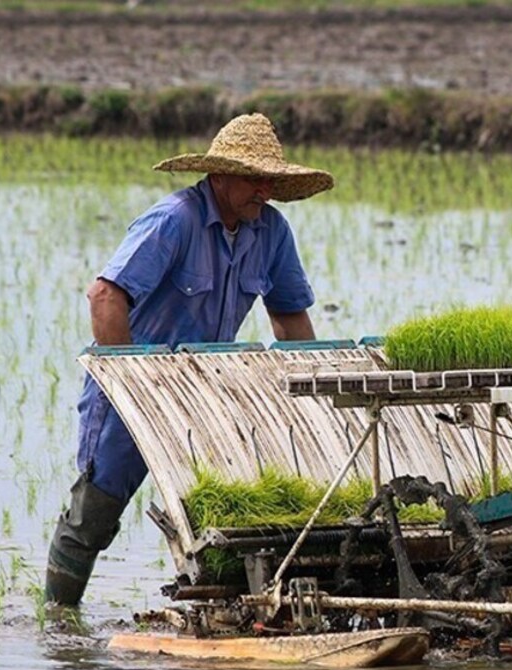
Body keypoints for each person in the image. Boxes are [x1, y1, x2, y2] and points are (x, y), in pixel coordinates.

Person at [45, 112, 334, 606]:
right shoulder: (175, 220)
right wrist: (133, 386)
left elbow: (289, 318)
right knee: (95, 511)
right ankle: (58, 619)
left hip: (205, 394)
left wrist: (310, 395)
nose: (263, 191)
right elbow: (105, 297)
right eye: (253, 179)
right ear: (219, 176)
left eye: (269, 180)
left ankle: (220, 610)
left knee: (216, 506)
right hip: (135, 391)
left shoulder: (271, 232)